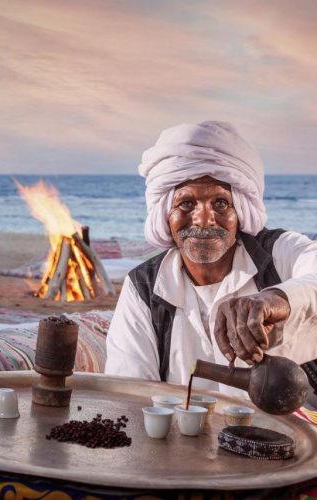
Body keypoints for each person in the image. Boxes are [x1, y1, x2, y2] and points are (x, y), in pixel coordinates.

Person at [105, 121, 317, 399]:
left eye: (220, 203)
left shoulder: (278, 254)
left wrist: (275, 299)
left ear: (240, 209)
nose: (204, 220)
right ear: (165, 213)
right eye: (186, 203)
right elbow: (128, 395)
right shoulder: (143, 288)